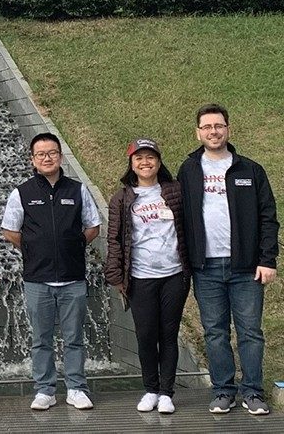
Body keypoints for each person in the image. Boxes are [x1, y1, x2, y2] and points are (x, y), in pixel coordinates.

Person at [177, 104, 279, 416]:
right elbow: (180, 216)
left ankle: (252, 392)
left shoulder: (250, 169)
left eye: (218, 125)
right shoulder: (189, 169)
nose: (213, 131)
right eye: (207, 127)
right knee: (215, 331)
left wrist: (268, 260)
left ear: (228, 129)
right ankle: (223, 391)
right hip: (205, 267)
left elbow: (268, 218)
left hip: (246, 267)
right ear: (198, 132)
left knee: (250, 331)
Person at [1, 132, 101, 411]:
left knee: (74, 338)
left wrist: (74, 244)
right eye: (41, 154)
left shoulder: (77, 189)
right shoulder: (22, 192)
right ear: (33, 159)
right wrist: (33, 248)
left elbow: (93, 226)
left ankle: (76, 388)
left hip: (72, 278)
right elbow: (10, 230)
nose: (47, 158)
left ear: (60, 156)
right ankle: (44, 389)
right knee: (41, 339)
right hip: (37, 279)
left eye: (52, 153)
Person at [105, 138, 190, 414]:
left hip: (174, 274)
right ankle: (150, 389)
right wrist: (116, 275)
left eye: (150, 157)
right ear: (131, 164)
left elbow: (188, 227)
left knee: (169, 333)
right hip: (140, 277)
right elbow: (114, 239)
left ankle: (167, 392)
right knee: (145, 335)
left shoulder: (175, 191)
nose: (145, 162)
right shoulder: (122, 198)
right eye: (139, 158)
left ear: (159, 161)